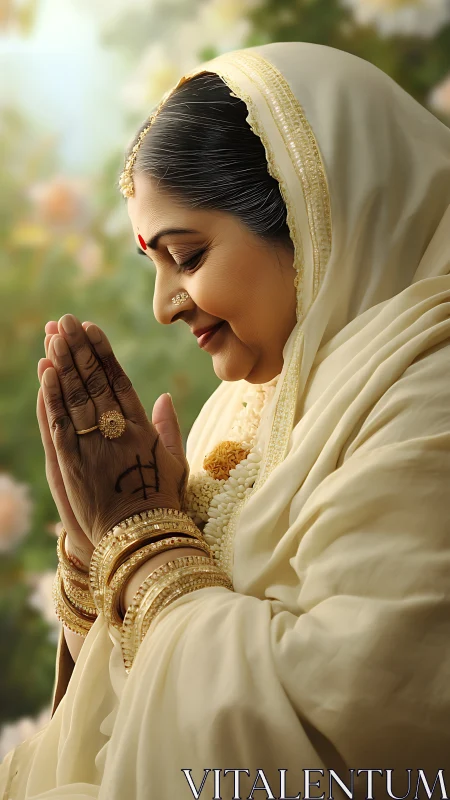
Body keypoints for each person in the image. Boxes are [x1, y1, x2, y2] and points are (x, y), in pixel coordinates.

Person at [1, 40, 450, 800]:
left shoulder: (426, 389)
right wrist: (98, 547)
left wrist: (146, 544)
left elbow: (363, 724)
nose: (164, 304)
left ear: (315, 214)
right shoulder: (238, 409)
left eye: (188, 254)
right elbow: (132, 715)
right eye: (154, 264)